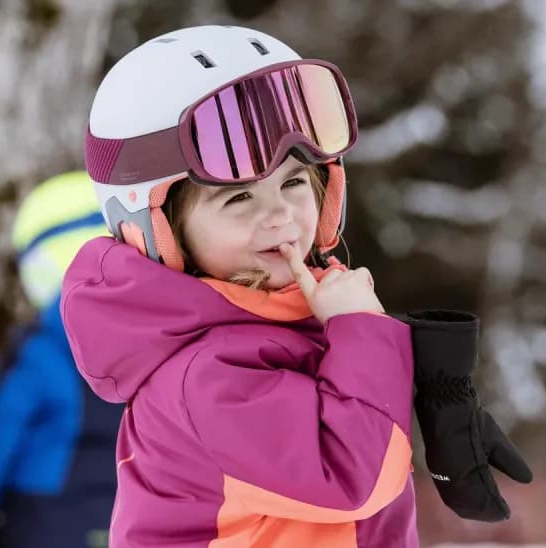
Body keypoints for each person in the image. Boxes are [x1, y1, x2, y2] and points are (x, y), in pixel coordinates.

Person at [62, 25, 418, 547]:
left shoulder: (289, 322)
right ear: (160, 231)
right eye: (238, 199)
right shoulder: (204, 377)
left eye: (294, 182)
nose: (280, 216)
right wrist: (361, 331)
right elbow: (352, 477)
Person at [0, 171, 124, 548]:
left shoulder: (42, 348)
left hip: (45, 517)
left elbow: (4, 430)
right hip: (133, 512)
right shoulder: (160, 331)